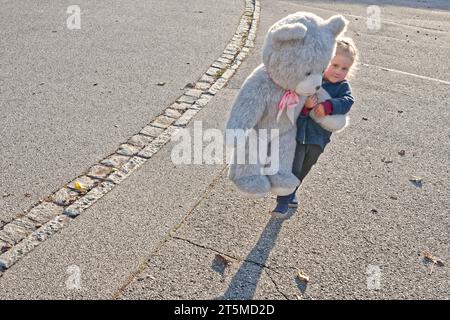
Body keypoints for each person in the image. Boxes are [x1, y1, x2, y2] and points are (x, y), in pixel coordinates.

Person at [272, 38, 359, 217]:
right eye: (334, 65)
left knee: (306, 166)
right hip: (298, 132)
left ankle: (292, 191)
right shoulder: (312, 80)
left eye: (344, 69)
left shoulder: (342, 87)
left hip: (319, 137)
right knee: (294, 167)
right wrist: (307, 108)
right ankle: (282, 203)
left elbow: (348, 101)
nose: (338, 71)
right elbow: (294, 104)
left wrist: (328, 106)